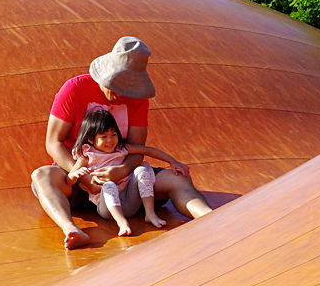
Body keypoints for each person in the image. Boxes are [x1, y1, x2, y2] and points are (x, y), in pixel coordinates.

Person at [32, 36, 213, 249]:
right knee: (41, 176)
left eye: (127, 89)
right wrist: (83, 176)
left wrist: (123, 170)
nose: (119, 95)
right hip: (80, 176)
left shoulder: (138, 98)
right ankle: (70, 229)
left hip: (122, 181)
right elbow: (54, 142)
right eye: (115, 86)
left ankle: (211, 217)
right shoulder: (75, 88)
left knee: (178, 180)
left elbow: (138, 149)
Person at [68, 108, 188, 236]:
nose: (110, 140)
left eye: (113, 135)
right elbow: (69, 179)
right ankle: (122, 223)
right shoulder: (87, 155)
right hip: (107, 208)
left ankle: (150, 213)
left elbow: (147, 150)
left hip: (130, 202)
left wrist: (173, 161)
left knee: (141, 170)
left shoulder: (121, 149)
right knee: (109, 185)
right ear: (91, 139)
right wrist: (74, 175)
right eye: (104, 137)